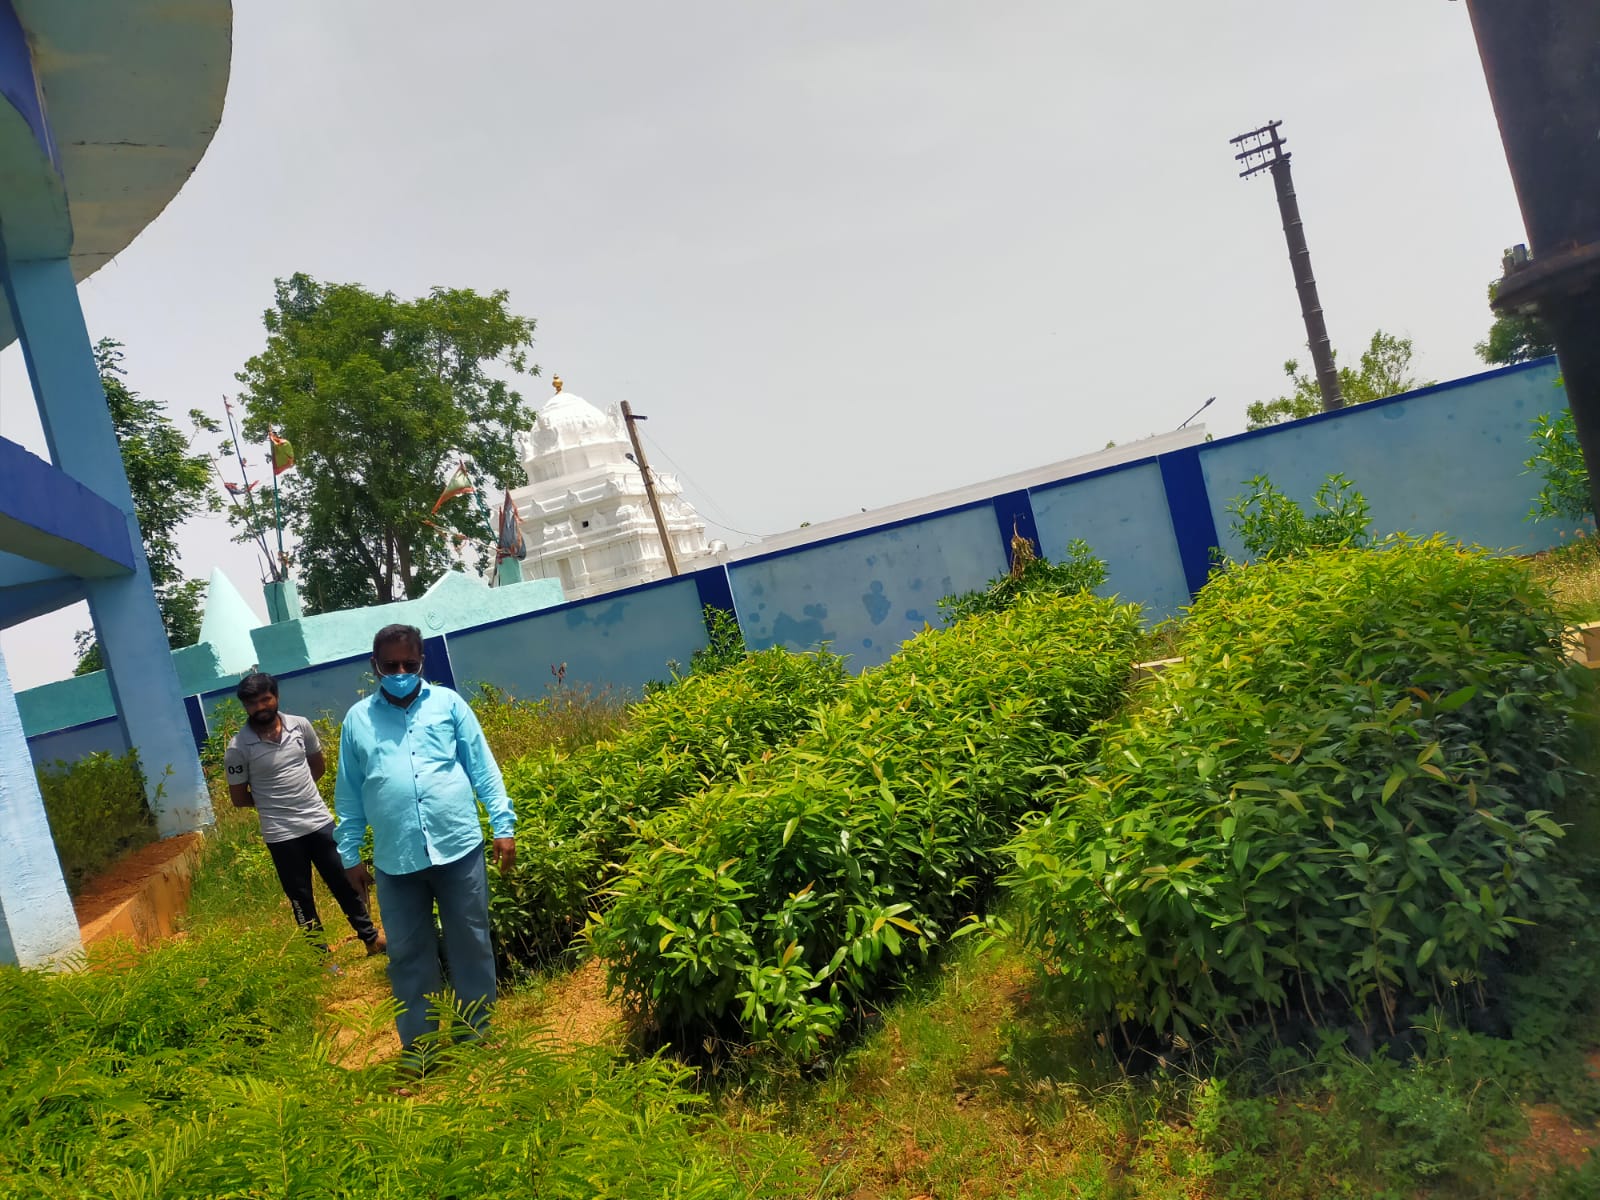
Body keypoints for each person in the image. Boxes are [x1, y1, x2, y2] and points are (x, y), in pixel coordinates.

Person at [334, 623, 516, 1066]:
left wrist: (503, 824)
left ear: (421, 663)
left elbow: (482, 767)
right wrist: (349, 854)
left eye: (408, 664)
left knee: (470, 943)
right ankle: (421, 1053)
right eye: (390, 665)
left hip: (458, 848)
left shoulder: (449, 705)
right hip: (396, 861)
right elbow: (350, 794)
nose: (400, 673)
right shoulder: (358, 721)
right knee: (407, 955)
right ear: (374, 666)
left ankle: (475, 1034)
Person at [224, 672, 386, 957]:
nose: (260, 707)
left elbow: (318, 767)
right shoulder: (237, 749)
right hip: (281, 834)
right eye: (252, 703)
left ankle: (371, 939)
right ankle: (321, 958)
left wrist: (300, 796)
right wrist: (273, 802)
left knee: (344, 881)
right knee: (301, 898)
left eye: (265, 699)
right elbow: (238, 798)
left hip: (319, 821)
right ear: (245, 706)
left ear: (276, 697)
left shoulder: (300, 726)